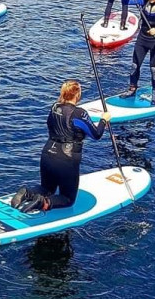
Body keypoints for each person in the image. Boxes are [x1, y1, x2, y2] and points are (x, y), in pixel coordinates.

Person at [10, 81, 111, 214]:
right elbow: (96, 134)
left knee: (46, 188)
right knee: (67, 199)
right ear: (77, 94)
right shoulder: (79, 113)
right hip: (66, 160)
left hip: (47, 153)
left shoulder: (54, 107)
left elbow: (53, 125)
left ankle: (26, 193)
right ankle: (43, 202)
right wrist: (104, 120)